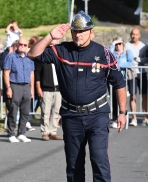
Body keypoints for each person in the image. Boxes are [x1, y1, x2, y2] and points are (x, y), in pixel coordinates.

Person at [28, 11, 127, 182]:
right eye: (75, 31)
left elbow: (119, 83)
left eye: (82, 31)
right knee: (74, 166)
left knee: (99, 160)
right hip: (71, 116)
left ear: (91, 31)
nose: (78, 35)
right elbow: (33, 54)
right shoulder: (61, 50)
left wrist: (123, 112)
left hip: (97, 115)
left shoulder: (103, 53)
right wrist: (50, 35)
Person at [4, 37, 35, 143]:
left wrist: (32, 89)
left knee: (25, 111)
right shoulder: (11, 56)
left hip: (26, 85)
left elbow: (32, 73)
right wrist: (8, 88)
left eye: (25, 45)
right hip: (14, 85)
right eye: (21, 44)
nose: (23, 46)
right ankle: (11, 133)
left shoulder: (29, 57)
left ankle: (21, 133)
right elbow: (6, 73)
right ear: (17, 45)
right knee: (13, 110)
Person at [125, 28, 148, 126]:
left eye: (136, 34)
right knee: (133, 95)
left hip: (142, 73)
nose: (134, 36)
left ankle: (145, 118)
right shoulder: (127, 46)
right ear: (130, 35)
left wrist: (139, 59)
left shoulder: (144, 46)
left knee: (145, 95)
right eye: (133, 34)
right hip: (131, 73)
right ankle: (134, 118)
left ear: (139, 35)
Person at [35, 39, 62, 141]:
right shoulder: (43, 56)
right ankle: (45, 132)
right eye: (53, 42)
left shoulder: (60, 57)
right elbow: (37, 73)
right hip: (46, 88)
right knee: (45, 112)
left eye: (56, 42)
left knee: (56, 111)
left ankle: (53, 131)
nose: (55, 44)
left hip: (58, 89)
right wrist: (38, 88)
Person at [109, 37, 133, 128]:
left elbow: (130, 62)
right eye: (116, 44)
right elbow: (108, 57)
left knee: (123, 99)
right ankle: (115, 118)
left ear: (123, 44)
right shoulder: (112, 53)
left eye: (120, 43)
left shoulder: (127, 52)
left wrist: (119, 65)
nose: (118, 46)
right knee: (114, 99)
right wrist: (113, 43)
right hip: (113, 79)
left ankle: (123, 116)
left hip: (123, 78)